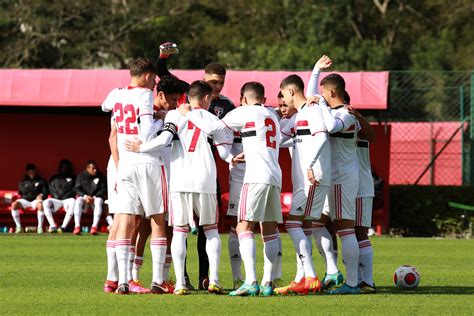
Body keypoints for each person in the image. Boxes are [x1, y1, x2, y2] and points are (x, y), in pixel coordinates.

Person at [125, 80, 235, 295]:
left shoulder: (175, 115)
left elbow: (164, 139)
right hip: (205, 180)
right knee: (211, 230)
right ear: (206, 98)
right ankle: (214, 279)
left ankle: (182, 284)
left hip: (180, 181)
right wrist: (233, 159)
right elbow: (223, 151)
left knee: (180, 232)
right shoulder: (212, 118)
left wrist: (141, 148)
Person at [131, 75, 183, 294]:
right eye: (171, 99)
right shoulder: (149, 114)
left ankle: (160, 276)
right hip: (155, 171)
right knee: (146, 226)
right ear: (159, 95)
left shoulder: (167, 114)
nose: (173, 104)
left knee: (163, 227)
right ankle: (148, 278)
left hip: (162, 173)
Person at [317, 73, 361, 294]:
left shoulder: (346, 114)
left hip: (342, 178)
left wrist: (322, 106)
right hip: (331, 178)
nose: (321, 96)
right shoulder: (334, 112)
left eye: (323, 92)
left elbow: (333, 127)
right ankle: (332, 270)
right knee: (314, 224)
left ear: (332, 92)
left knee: (345, 229)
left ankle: (352, 283)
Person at [10, 163, 48, 233]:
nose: (31, 174)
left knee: (40, 205)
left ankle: (40, 228)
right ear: (27, 173)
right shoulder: (23, 182)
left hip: (35, 201)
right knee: (14, 205)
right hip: (25, 201)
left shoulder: (41, 181)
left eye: (33, 172)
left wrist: (41, 195)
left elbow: (45, 191)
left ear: (35, 171)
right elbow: (20, 192)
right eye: (30, 172)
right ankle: (18, 227)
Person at [72, 160, 106, 235]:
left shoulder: (100, 176)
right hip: (84, 199)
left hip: (95, 199)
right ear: (87, 168)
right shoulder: (81, 176)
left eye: (96, 168)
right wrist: (85, 196)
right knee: (78, 201)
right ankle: (77, 226)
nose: (95, 170)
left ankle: (94, 227)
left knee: (99, 200)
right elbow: (77, 189)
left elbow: (103, 189)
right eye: (93, 168)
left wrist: (94, 197)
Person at [42, 159, 76, 233]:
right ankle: (53, 226)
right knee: (45, 202)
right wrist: (57, 195)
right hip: (56, 199)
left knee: (73, 201)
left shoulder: (73, 177)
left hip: (67, 200)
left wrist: (65, 196)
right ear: (60, 167)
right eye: (63, 167)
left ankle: (63, 227)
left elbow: (74, 189)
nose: (64, 168)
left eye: (66, 167)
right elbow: (50, 188)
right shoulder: (54, 178)